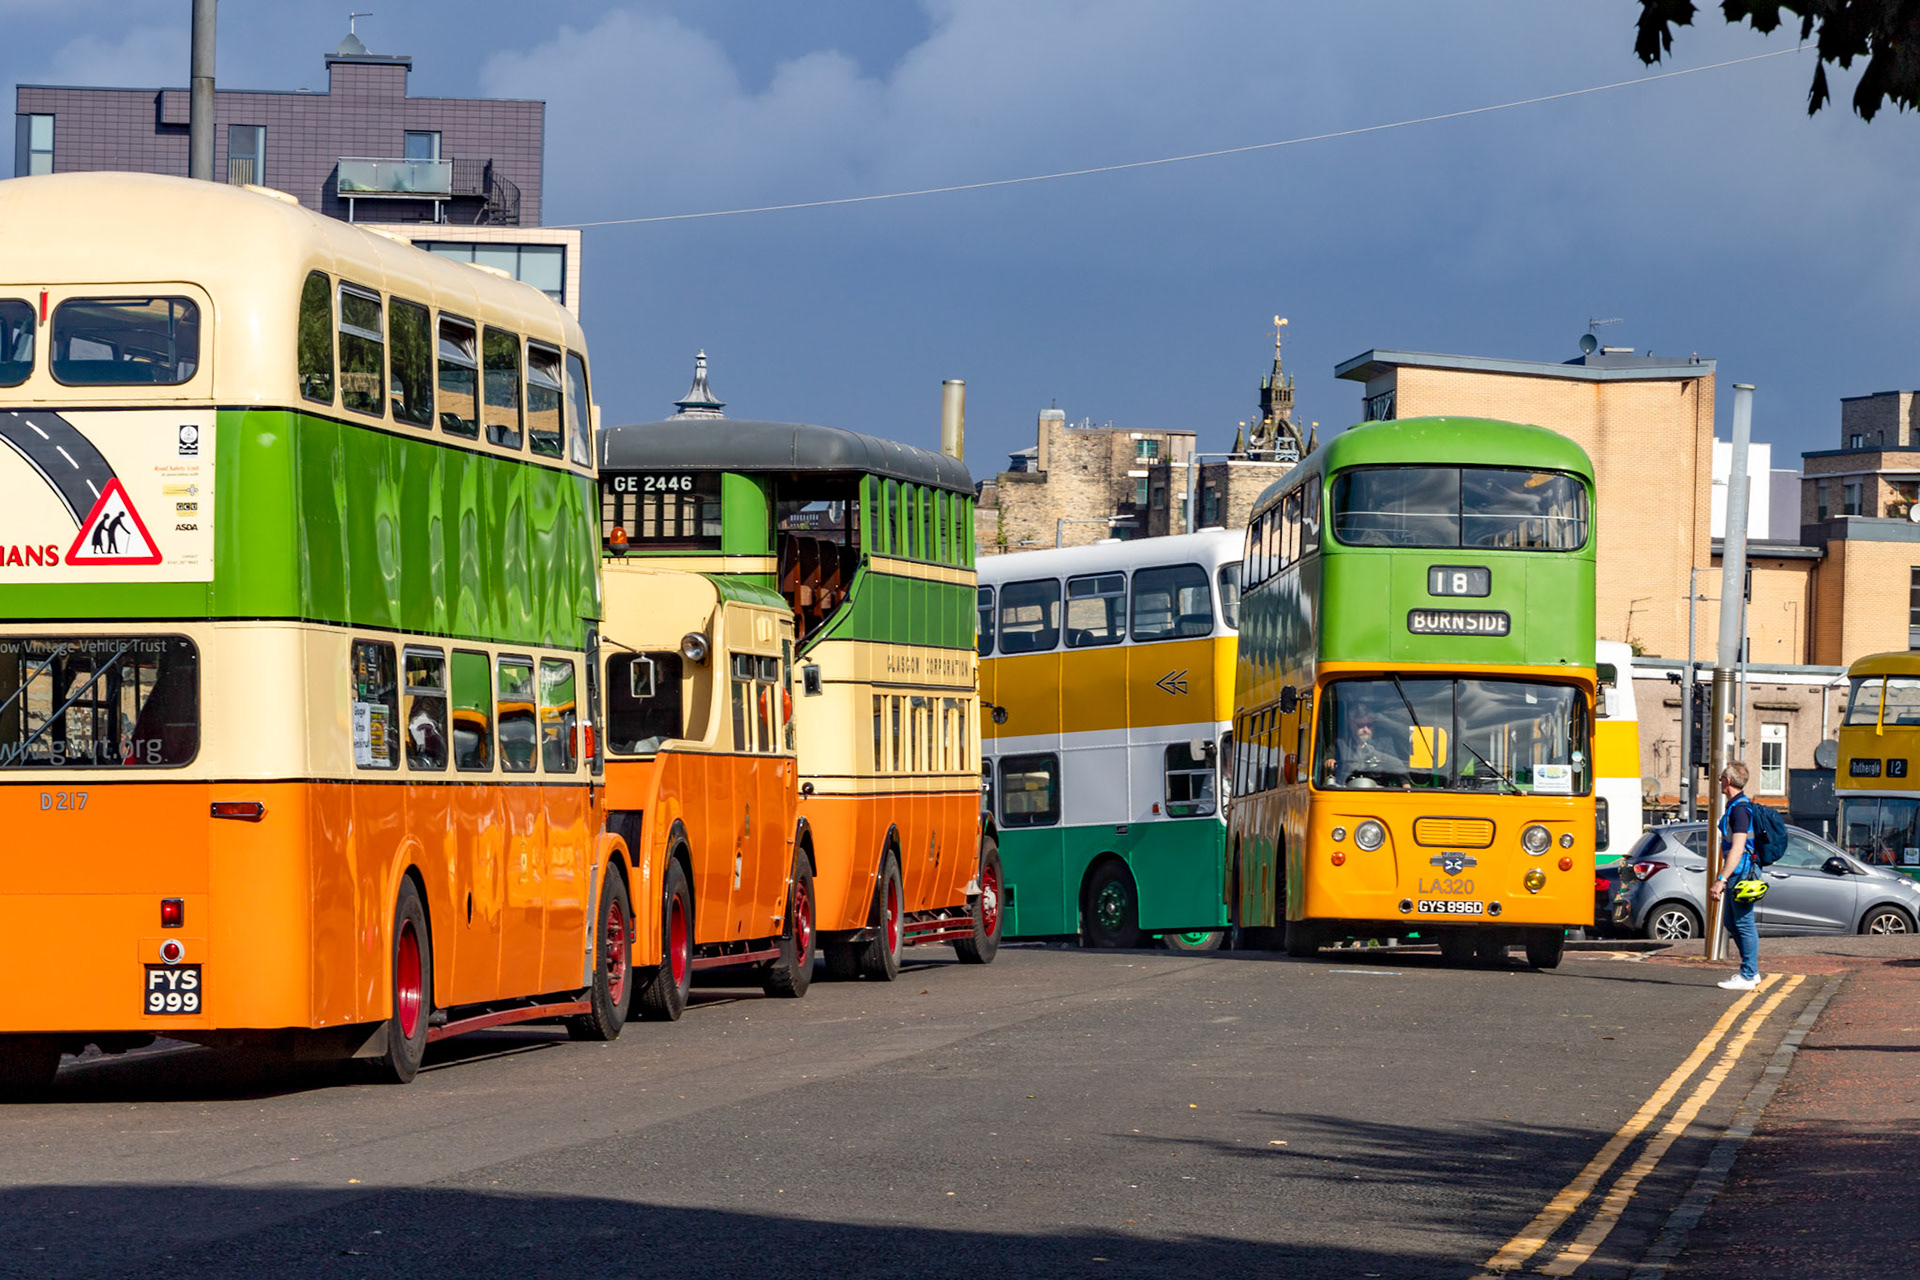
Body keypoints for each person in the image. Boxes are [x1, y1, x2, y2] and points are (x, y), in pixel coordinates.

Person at [1707, 761, 1761, 991]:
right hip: (1741, 871)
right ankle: (1751, 972)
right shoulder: (1736, 806)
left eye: (1721, 777)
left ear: (1727, 781)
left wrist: (1721, 879)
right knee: (1731, 921)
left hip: (1742, 873)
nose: (1719, 780)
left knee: (1744, 923)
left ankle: (1748, 974)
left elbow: (1738, 848)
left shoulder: (1739, 810)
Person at [1323, 712, 1398, 786]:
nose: (1365, 729)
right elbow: (1327, 759)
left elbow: (1397, 765)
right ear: (1352, 725)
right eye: (1360, 725)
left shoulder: (1384, 744)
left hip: (1378, 789)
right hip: (1346, 788)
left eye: (1369, 725)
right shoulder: (1340, 744)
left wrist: (1404, 782)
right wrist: (1330, 761)